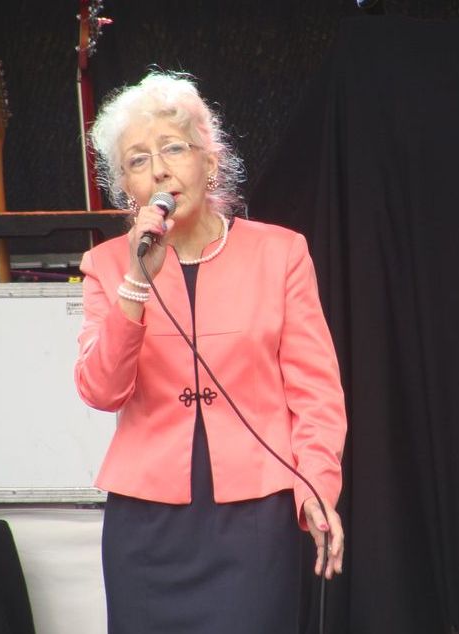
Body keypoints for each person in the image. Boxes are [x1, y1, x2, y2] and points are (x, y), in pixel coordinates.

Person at [74, 70, 347, 634]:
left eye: (173, 148)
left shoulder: (281, 254)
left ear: (210, 161)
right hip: (146, 528)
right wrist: (136, 284)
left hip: (255, 518)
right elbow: (101, 391)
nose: (159, 170)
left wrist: (317, 486)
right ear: (127, 188)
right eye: (138, 160)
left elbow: (315, 394)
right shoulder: (107, 265)